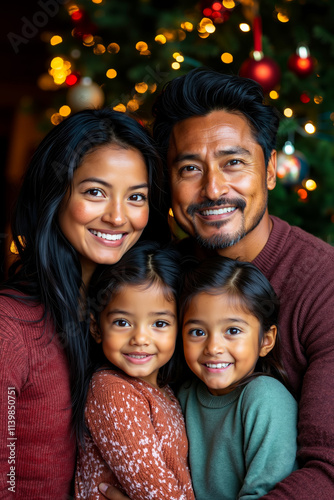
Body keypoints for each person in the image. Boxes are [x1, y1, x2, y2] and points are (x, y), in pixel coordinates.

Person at [100, 68, 334, 499]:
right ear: (168, 186)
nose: (212, 189)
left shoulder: (324, 286)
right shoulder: (158, 276)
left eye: (234, 163)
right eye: (190, 168)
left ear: (269, 171)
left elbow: (329, 472)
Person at [0, 108, 167, 498]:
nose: (117, 216)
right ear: (55, 194)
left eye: (136, 197)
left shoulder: (131, 322)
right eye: (95, 191)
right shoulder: (11, 327)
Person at [75, 241, 195, 500]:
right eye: (122, 322)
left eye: (160, 323)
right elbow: (157, 493)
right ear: (97, 328)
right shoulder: (110, 391)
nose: (140, 338)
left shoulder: (165, 390)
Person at [178, 256, 298, 499]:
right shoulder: (183, 395)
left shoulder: (265, 398)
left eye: (232, 331)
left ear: (266, 340)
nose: (213, 347)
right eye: (197, 332)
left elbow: (264, 494)